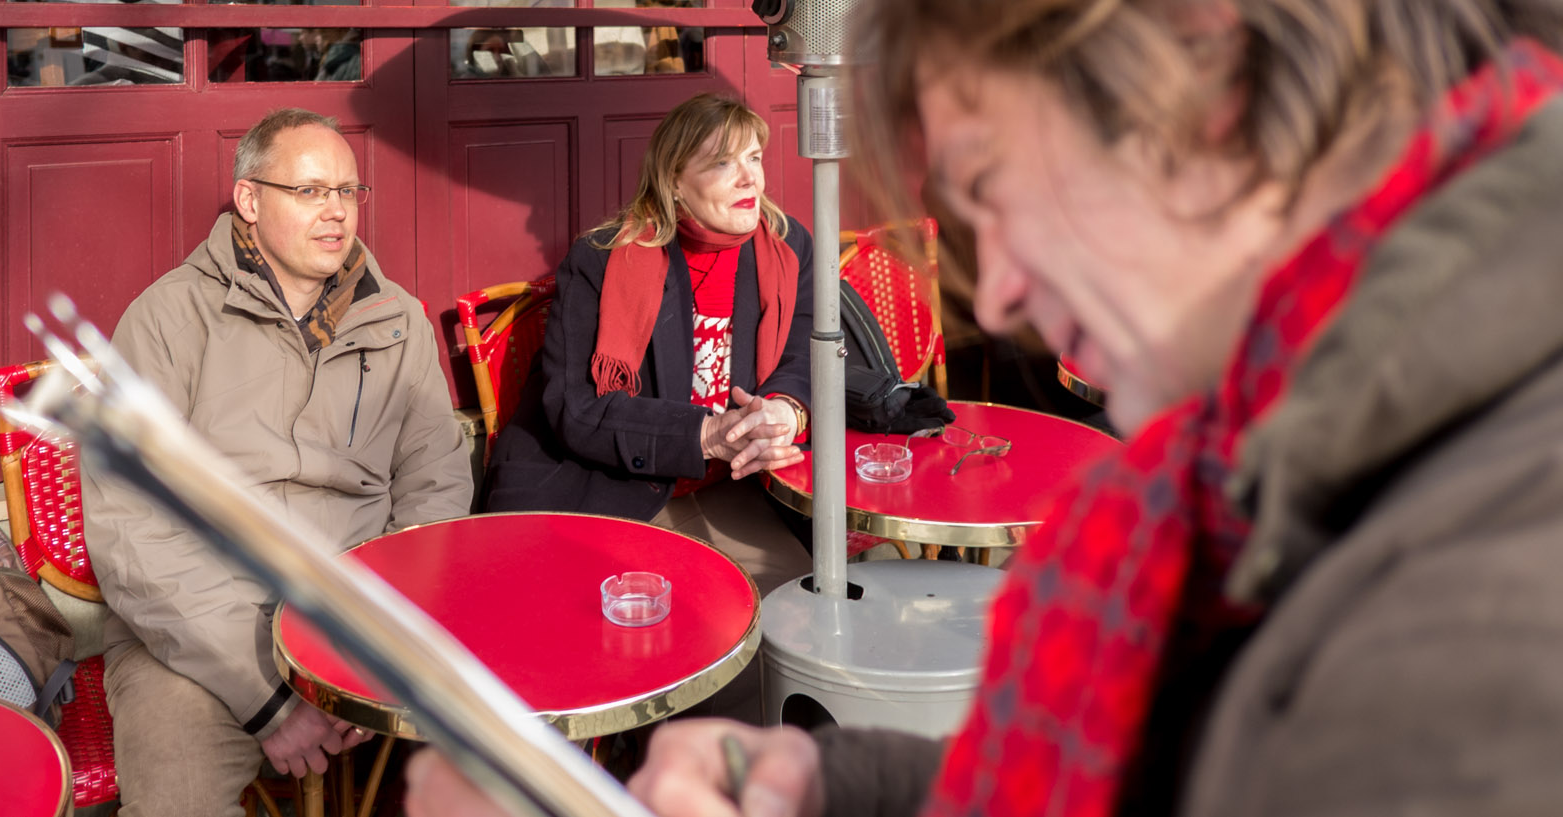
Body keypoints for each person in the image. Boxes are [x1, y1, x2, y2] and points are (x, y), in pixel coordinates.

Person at [410, 1, 1563, 815]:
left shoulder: (1467, 637)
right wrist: (835, 787)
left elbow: (831, 366)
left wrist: (887, 407)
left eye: (991, 184)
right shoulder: (1281, 469)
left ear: (1206, 98)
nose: (995, 283)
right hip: (622, 499)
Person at [81, 107, 474, 817]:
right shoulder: (167, 320)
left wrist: (380, 632)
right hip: (200, 623)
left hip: (353, 606)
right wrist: (267, 700)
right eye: (311, 191)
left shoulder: (396, 321)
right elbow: (134, 535)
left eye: (348, 192)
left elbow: (434, 478)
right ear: (251, 201)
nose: (336, 213)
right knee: (177, 795)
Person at [485, 92, 817, 606]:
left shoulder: (787, 245)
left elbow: (809, 347)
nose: (751, 178)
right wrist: (706, 433)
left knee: (794, 611)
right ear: (675, 182)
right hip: (605, 489)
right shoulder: (602, 259)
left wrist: (785, 411)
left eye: (754, 157)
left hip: (735, 485)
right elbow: (577, 409)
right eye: (723, 163)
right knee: (655, 634)